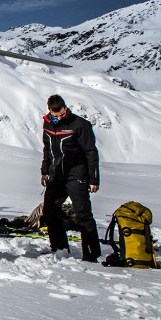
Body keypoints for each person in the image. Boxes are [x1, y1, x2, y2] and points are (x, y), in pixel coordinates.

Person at [40, 94, 101, 262]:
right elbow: (47, 149)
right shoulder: (47, 124)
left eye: (62, 113)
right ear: (49, 111)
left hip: (76, 175)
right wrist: (44, 170)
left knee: (82, 215)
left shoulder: (80, 124)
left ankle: (92, 254)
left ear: (65, 108)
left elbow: (91, 153)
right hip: (56, 175)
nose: (60, 117)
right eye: (56, 115)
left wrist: (94, 179)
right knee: (50, 212)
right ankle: (59, 247)